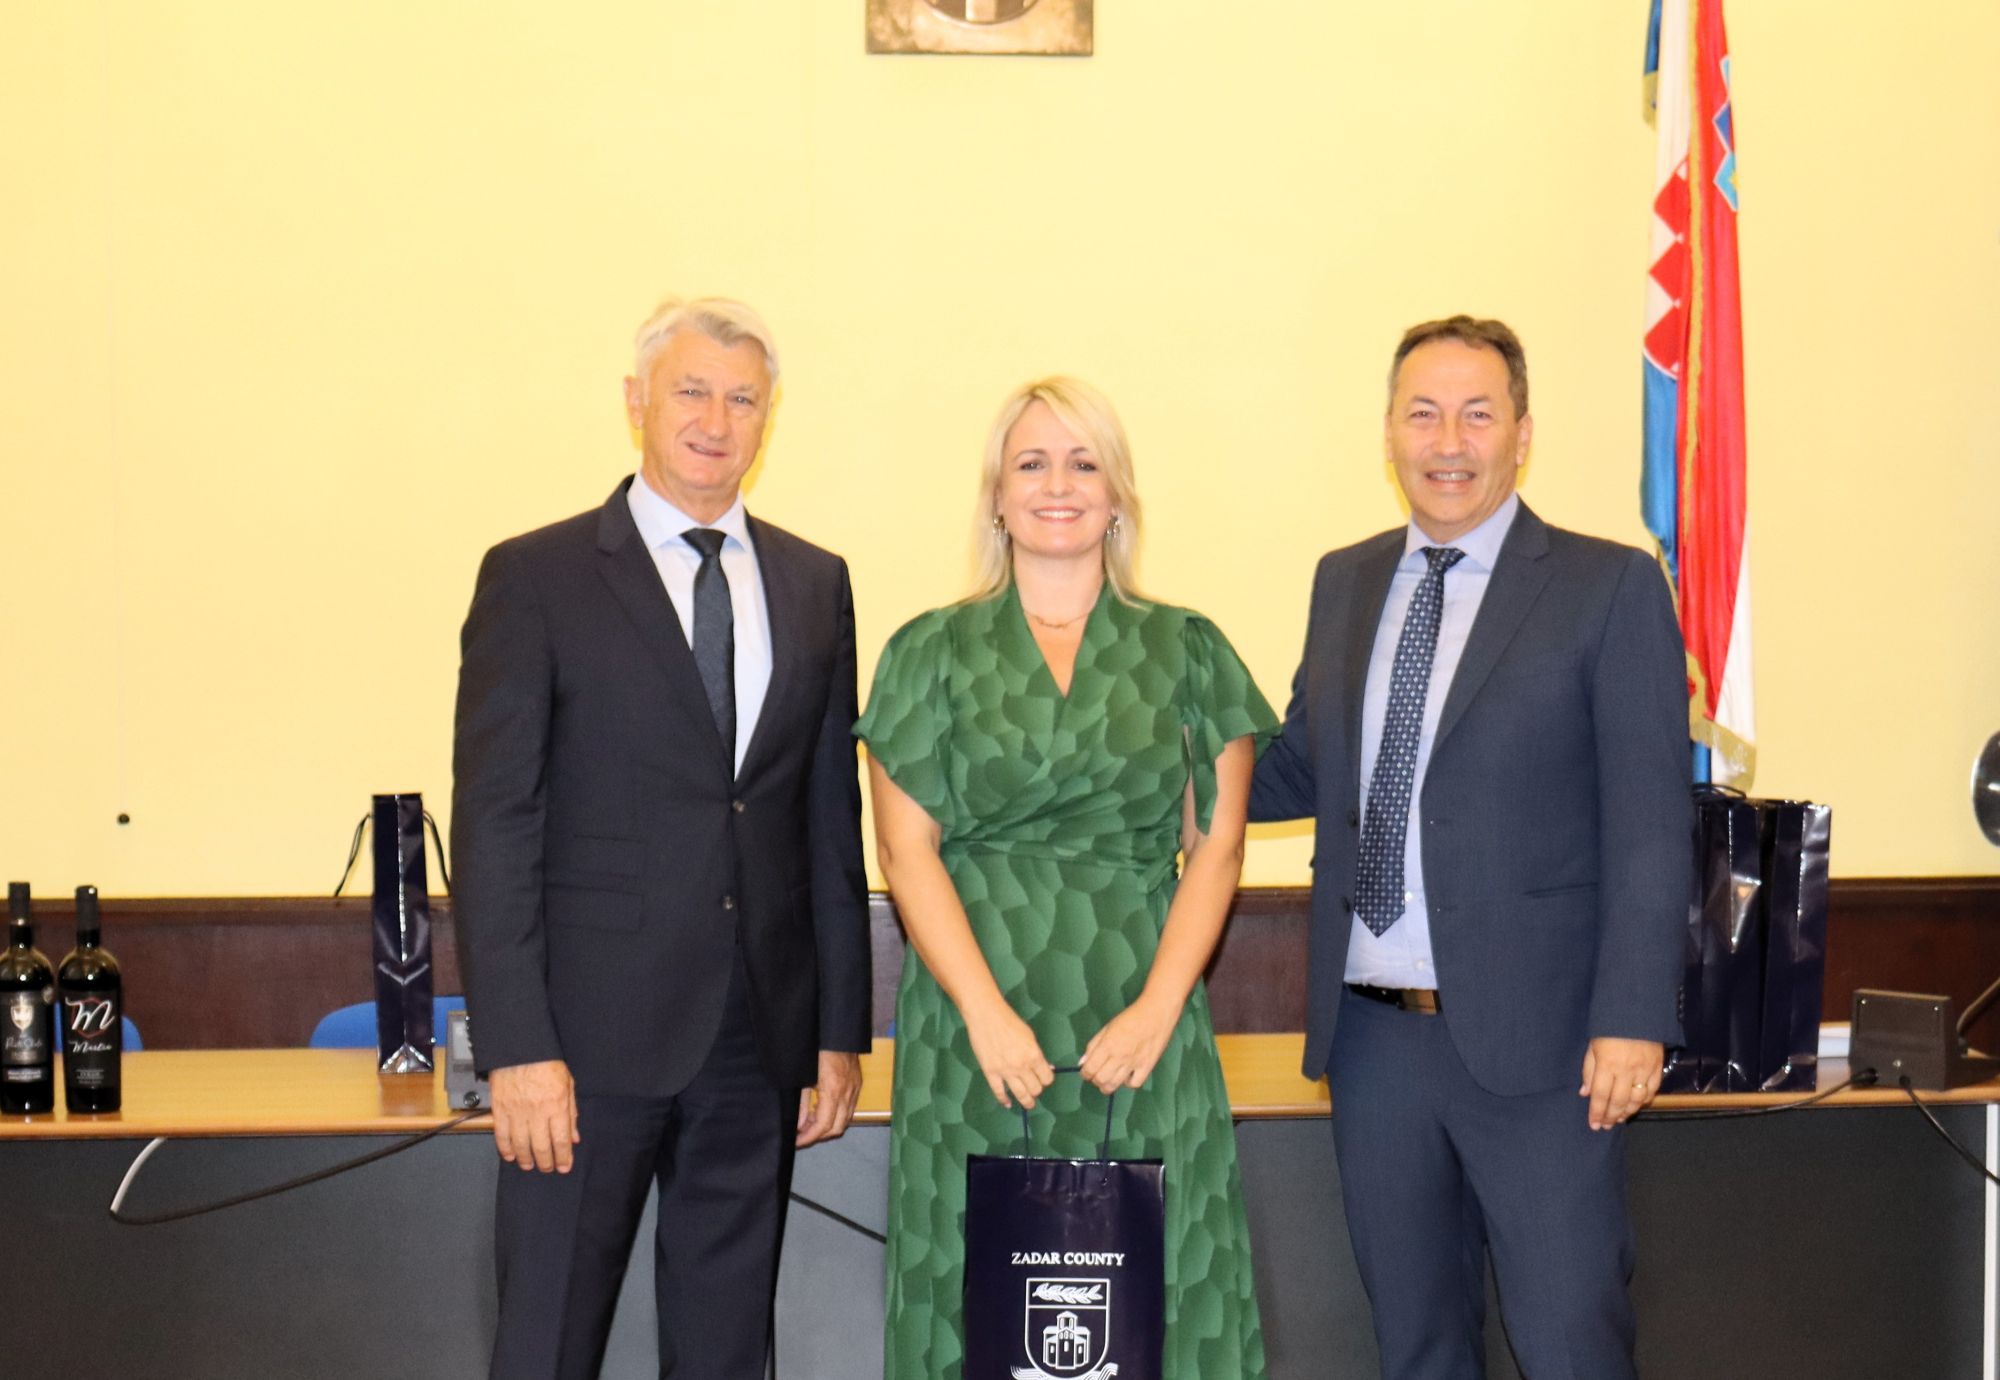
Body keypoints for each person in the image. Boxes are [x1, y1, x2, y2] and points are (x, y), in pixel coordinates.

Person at [1250, 315, 1692, 1379]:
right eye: (1422, 414)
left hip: (1544, 1050)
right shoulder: (1344, 580)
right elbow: (1301, 765)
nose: (1447, 441)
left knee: (1569, 1343)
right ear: (1389, 433)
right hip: (1372, 1043)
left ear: (1521, 434)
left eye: (1476, 414)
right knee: (1417, 1345)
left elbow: (1648, 825)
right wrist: (1133, 767)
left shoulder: (1606, 586)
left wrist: (1633, 1018)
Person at [451, 296, 871, 1380]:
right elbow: (496, 824)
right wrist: (517, 1047)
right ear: (637, 400)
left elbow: (827, 819)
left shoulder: (813, 582)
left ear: (767, 417)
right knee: (547, 1343)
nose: (715, 421)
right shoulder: (535, 577)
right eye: (691, 391)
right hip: (580, 1046)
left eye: (742, 400)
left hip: (755, 1037)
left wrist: (837, 1030)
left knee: (727, 1350)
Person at [857, 377, 1275, 1380]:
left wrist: (1156, 1012)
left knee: (1160, 1292)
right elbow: (905, 851)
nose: (1058, 485)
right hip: (974, 1027)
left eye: (1083, 463)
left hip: (1143, 1017)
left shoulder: (1190, 649)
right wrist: (986, 1015)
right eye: (1032, 464)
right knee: (974, 1295)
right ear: (996, 496)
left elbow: (1215, 848)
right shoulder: (926, 652)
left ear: (1117, 492)